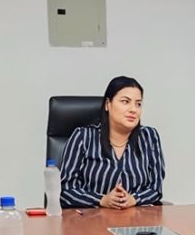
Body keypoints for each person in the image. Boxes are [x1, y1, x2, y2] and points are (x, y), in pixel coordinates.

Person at [59, 76, 166, 209]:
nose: (133, 109)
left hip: (136, 218)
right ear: (107, 104)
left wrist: (134, 199)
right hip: (91, 218)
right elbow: (66, 191)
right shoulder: (83, 136)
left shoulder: (149, 136)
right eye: (125, 102)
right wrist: (102, 200)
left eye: (138, 104)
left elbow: (156, 188)